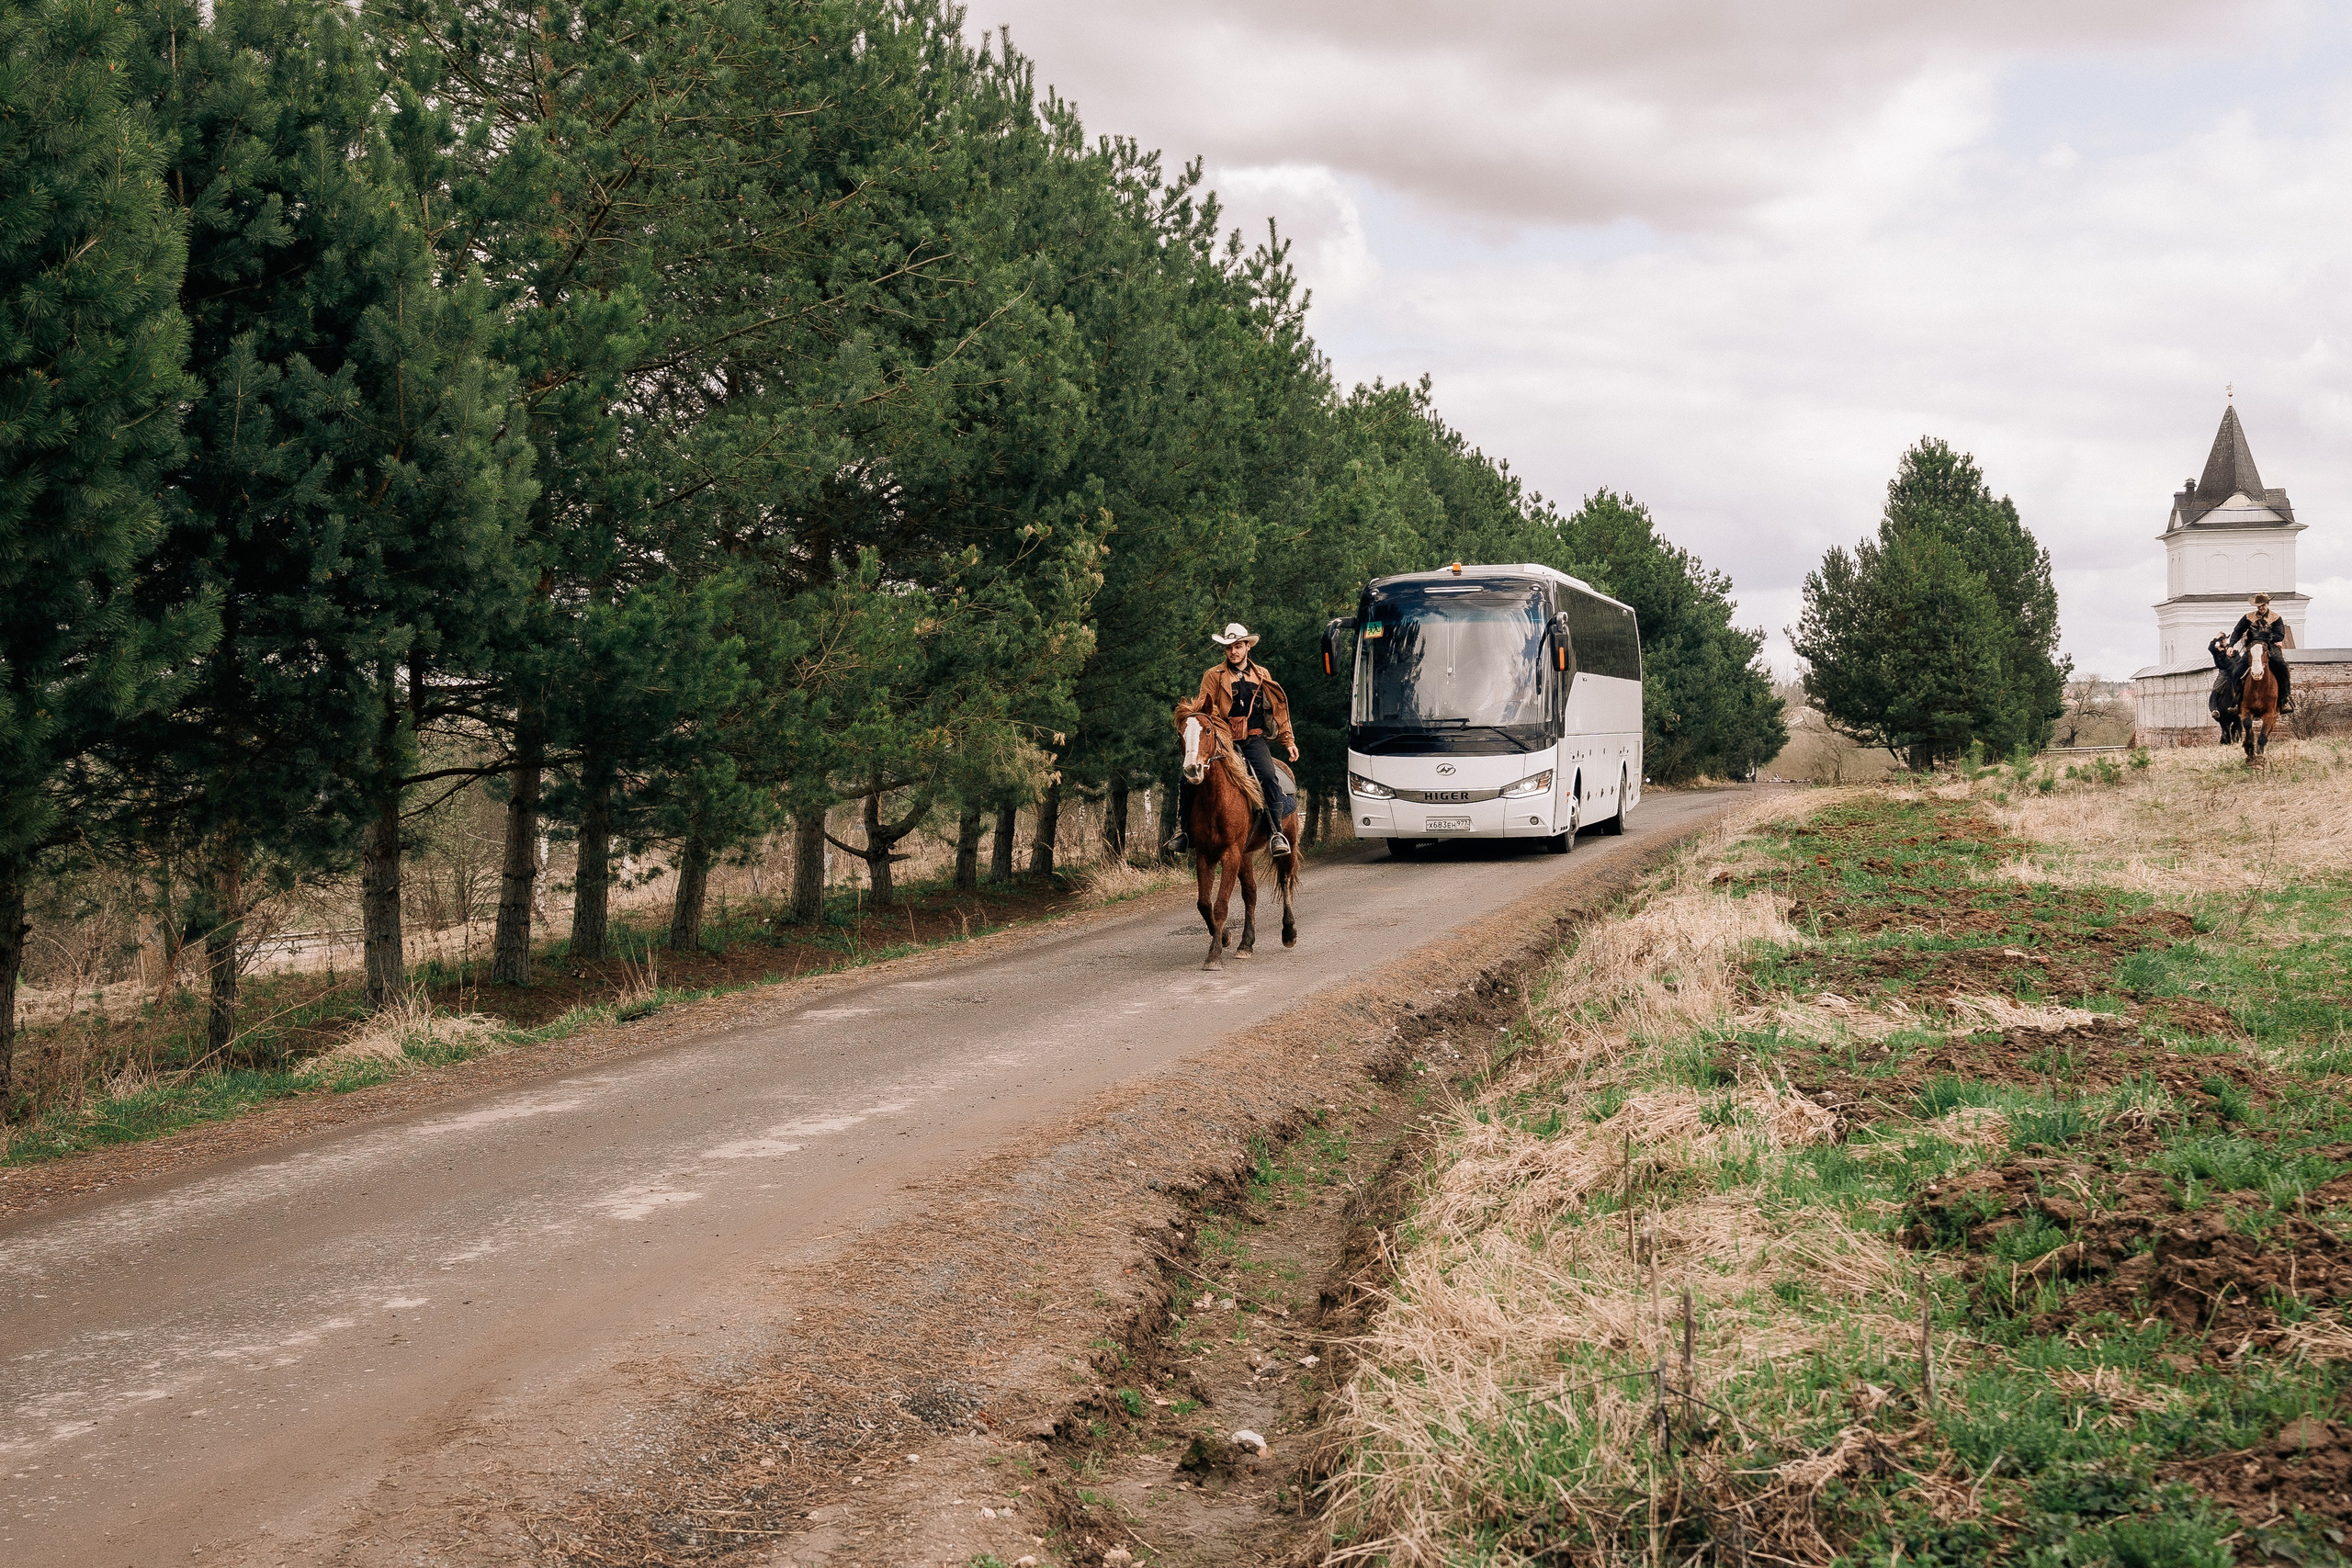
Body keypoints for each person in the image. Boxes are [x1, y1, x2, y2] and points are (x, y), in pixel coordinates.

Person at [1169, 623, 1297, 857]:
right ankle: (1184, 832)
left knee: (1268, 777)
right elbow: (1204, 710)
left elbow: (1278, 709)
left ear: (1247, 647)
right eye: (1229, 648)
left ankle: (1276, 833)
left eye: (1238, 646)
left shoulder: (1262, 675)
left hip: (1255, 739)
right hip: (1224, 740)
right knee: (1186, 779)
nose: (1233, 652)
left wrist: (1288, 740)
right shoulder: (1213, 675)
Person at [2227, 592, 2293, 714]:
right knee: (2237, 671)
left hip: (2269, 647)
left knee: (2282, 667)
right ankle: (2237, 700)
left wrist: (2266, 638)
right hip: (2253, 648)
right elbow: (2237, 631)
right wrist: (2231, 645)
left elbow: (2280, 635)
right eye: (2258, 606)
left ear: (2267, 604)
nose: (2260, 608)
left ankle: (2285, 699)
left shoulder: (2276, 617)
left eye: (2262, 605)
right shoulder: (2248, 617)